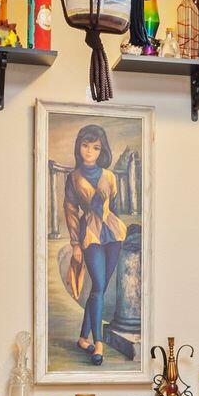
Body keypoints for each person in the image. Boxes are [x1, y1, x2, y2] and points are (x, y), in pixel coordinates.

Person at [60, 124, 129, 366]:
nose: (90, 151)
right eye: (85, 146)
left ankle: (82, 338)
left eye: (96, 147)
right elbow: (70, 211)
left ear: (102, 151)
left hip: (113, 233)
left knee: (99, 287)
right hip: (89, 233)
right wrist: (75, 244)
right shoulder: (73, 177)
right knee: (98, 286)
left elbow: (116, 207)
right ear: (79, 147)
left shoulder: (109, 176)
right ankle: (98, 342)